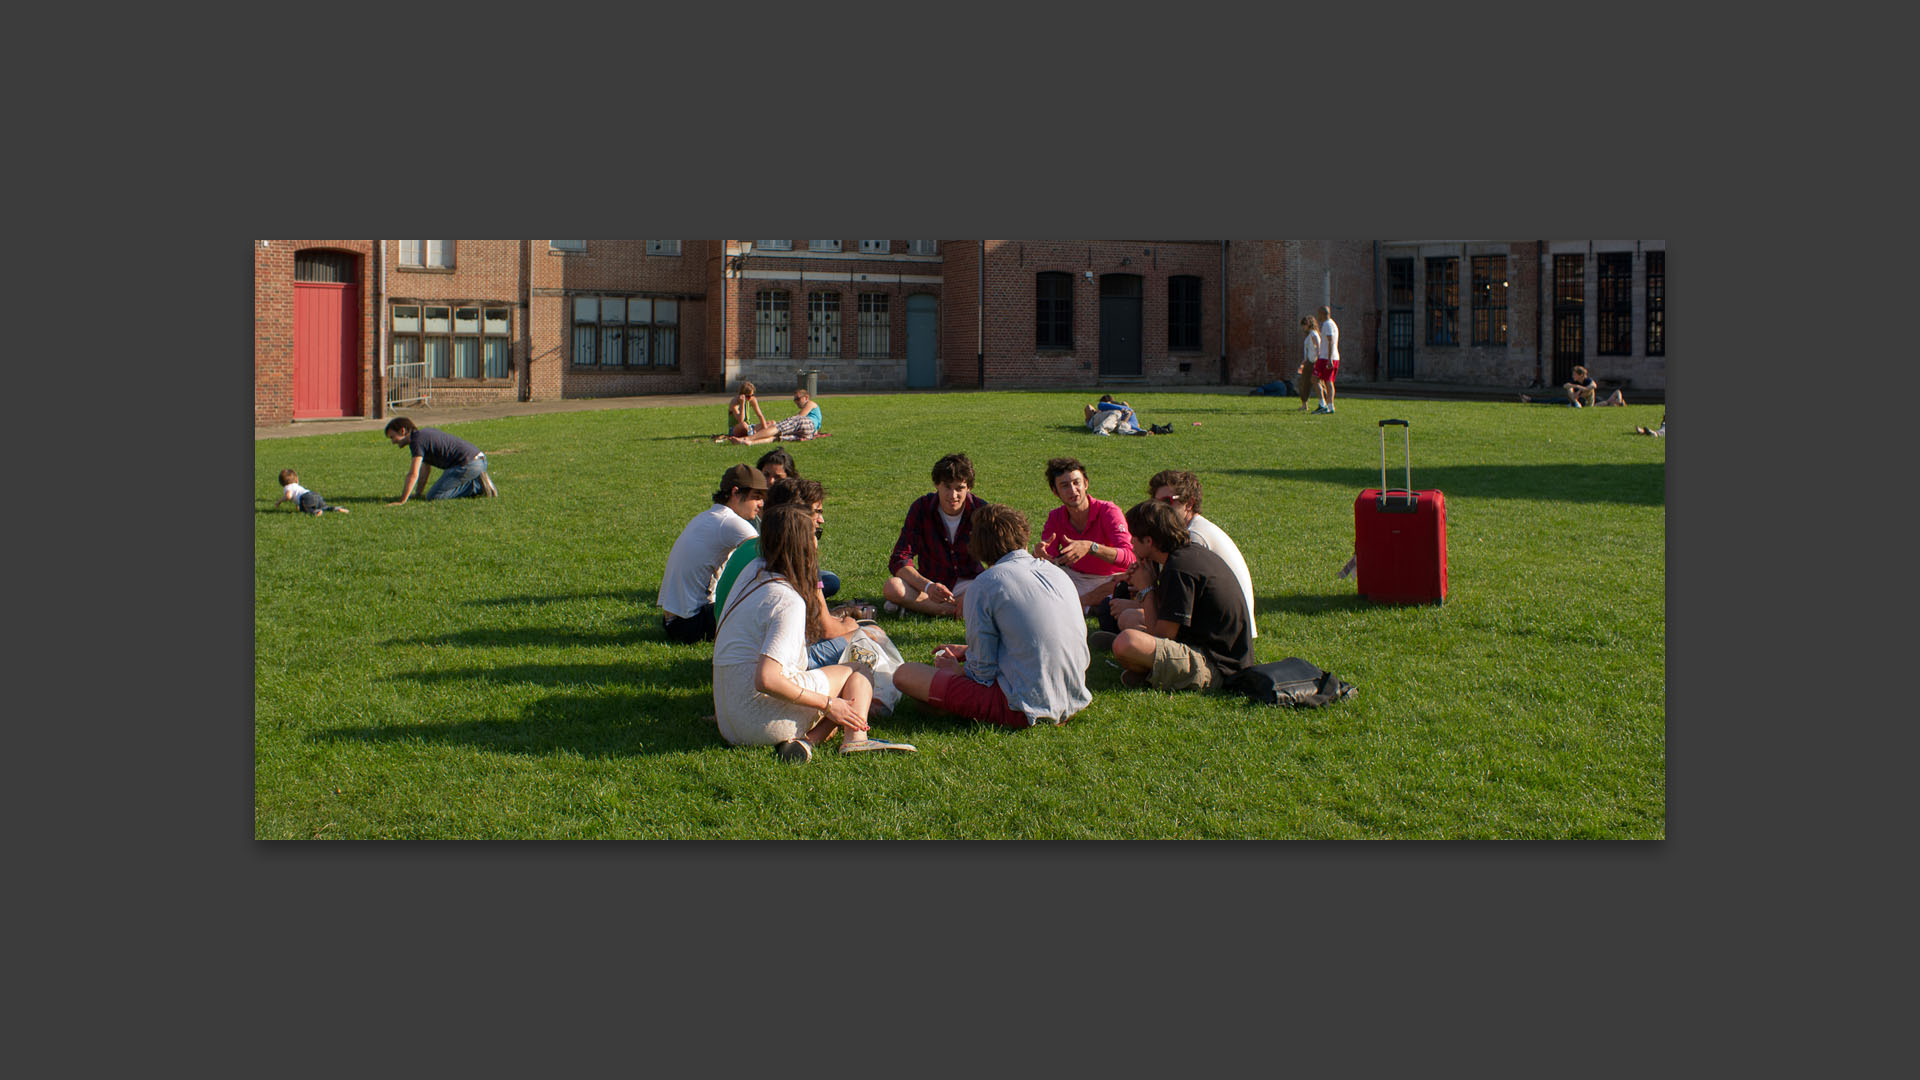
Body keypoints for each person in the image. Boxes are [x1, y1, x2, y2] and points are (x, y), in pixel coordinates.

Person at [712, 503, 915, 761]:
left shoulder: (751, 574)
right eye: (814, 535)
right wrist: (829, 704)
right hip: (759, 722)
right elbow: (766, 679)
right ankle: (854, 738)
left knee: (832, 684)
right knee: (858, 672)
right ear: (803, 544)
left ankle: (807, 743)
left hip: (728, 720)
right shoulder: (787, 600)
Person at [892, 503, 1093, 729]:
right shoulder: (1056, 572)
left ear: (978, 546)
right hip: (1073, 697)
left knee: (906, 674)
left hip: (1021, 706)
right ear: (1024, 536)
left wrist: (957, 671)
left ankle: (948, 708)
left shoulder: (986, 583)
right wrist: (968, 651)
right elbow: (1036, 642)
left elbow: (982, 674)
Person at [1094, 499, 1255, 692]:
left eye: (1134, 537)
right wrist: (1148, 582)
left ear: (1149, 541)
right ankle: (1145, 667)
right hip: (1200, 643)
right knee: (1130, 618)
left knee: (1126, 642)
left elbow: (1162, 636)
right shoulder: (1184, 555)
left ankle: (1146, 668)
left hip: (1218, 667)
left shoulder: (1180, 569)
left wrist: (1147, 589)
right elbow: (1168, 617)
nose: (1131, 542)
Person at [713, 476, 871, 670]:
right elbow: (826, 630)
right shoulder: (795, 556)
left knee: (831, 583)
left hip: (727, 655)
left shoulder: (749, 547)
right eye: (817, 512)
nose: (821, 520)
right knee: (871, 636)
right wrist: (851, 625)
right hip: (766, 664)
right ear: (798, 516)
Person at [1118, 470, 1257, 640]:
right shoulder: (1188, 534)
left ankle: (1134, 649)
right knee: (1128, 618)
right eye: (1155, 503)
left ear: (1189, 504)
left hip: (1219, 633)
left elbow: (1168, 625)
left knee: (1130, 622)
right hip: (1219, 625)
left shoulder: (1193, 539)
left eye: (1167, 502)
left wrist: (1146, 590)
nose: (1159, 509)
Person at [658, 464, 766, 643]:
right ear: (735, 492)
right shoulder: (730, 522)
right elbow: (768, 559)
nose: (761, 504)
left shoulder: (708, 516)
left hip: (674, 621)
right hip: (691, 624)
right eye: (756, 497)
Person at [883, 452, 986, 618]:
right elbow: (900, 558)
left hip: (970, 583)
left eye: (959, 488)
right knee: (893, 587)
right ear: (937, 484)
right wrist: (928, 586)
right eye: (947, 487)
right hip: (932, 584)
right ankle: (958, 609)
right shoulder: (922, 508)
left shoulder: (981, 511)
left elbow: (1001, 561)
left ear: (969, 488)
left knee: (992, 590)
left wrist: (977, 589)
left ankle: (936, 607)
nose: (953, 496)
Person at [1033, 457, 1135, 612]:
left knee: (1130, 580)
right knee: (1037, 580)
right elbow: (1049, 557)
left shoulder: (1109, 511)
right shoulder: (1055, 517)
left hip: (1110, 579)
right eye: (1065, 485)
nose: (1073, 490)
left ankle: (1077, 604)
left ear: (1086, 483)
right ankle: (1086, 606)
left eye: (1076, 483)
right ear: (1055, 492)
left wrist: (1090, 547)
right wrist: (1039, 554)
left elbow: (1129, 557)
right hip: (1075, 577)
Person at [383, 417, 497, 504]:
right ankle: (477, 481)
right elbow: (425, 471)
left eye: (392, 437)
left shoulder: (416, 442)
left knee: (435, 496)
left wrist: (402, 501)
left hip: (468, 464)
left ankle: (477, 486)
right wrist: (418, 493)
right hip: (478, 461)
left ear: (403, 431)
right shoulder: (422, 437)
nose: (393, 442)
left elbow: (413, 474)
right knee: (434, 494)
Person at [725, 387, 822, 444]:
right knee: (776, 438)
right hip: (809, 432)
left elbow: (799, 417)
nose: (796, 402)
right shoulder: (815, 415)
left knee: (777, 427)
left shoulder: (810, 403)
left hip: (804, 424)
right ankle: (749, 442)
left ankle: (748, 439)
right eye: (794, 400)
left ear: (806, 397)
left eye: (798, 399)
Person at [276, 468, 350, 516]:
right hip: (314, 494)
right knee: (324, 507)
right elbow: (297, 501)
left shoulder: (287, 487)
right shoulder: (296, 485)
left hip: (306, 497)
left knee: (307, 510)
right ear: (296, 479)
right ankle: (335, 509)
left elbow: (289, 496)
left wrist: (279, 501)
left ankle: (316, 512)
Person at [1083, 394, 1160, 436]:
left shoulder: (1128, 412)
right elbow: (1100, 405)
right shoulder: (1119, 409)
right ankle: (1099, 430)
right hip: (1097, 421)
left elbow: (1133, 425)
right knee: (1117, 413)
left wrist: (1143, 431)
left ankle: (1130, 433)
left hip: (1117, 425)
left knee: (1123, 425)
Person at [1312, 305, 1340, 414]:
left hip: (1327, 357)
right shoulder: (1332, 324)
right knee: (1324, 381)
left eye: (1319, 314)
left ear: (1323, 314)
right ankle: (1327, 405)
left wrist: (1329, 359)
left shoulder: (1328, 325)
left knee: (1323, 381)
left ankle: (1326, 405)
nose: (1318, 316)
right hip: (1328, 357)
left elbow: (1330, 341)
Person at [1298, 317, 1320, 413]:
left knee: (1305, 382)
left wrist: (1317, 359)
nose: (1303, 327)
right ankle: (1326, 402)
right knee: (1313, 383)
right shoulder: (1311, 334)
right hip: (1309, 361)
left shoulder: (1313, 334)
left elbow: (1318, 346)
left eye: (1304, 325)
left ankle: (1305, 404)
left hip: (1312, 362)